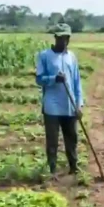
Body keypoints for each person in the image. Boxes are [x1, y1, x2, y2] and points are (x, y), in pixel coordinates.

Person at [35, 23, 84, 179]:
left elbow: (77, 82)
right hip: (52, 106)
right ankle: (52, 170)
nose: (64, 41)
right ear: (55, 38)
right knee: (52, 140)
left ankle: (74, 167)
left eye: (66, 38)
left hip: (70, 105)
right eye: (61, 38)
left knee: (72, 138)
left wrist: (79, 104)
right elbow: (39, 79)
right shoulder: (44, 56)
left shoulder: (72, 57)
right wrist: (54, 78)